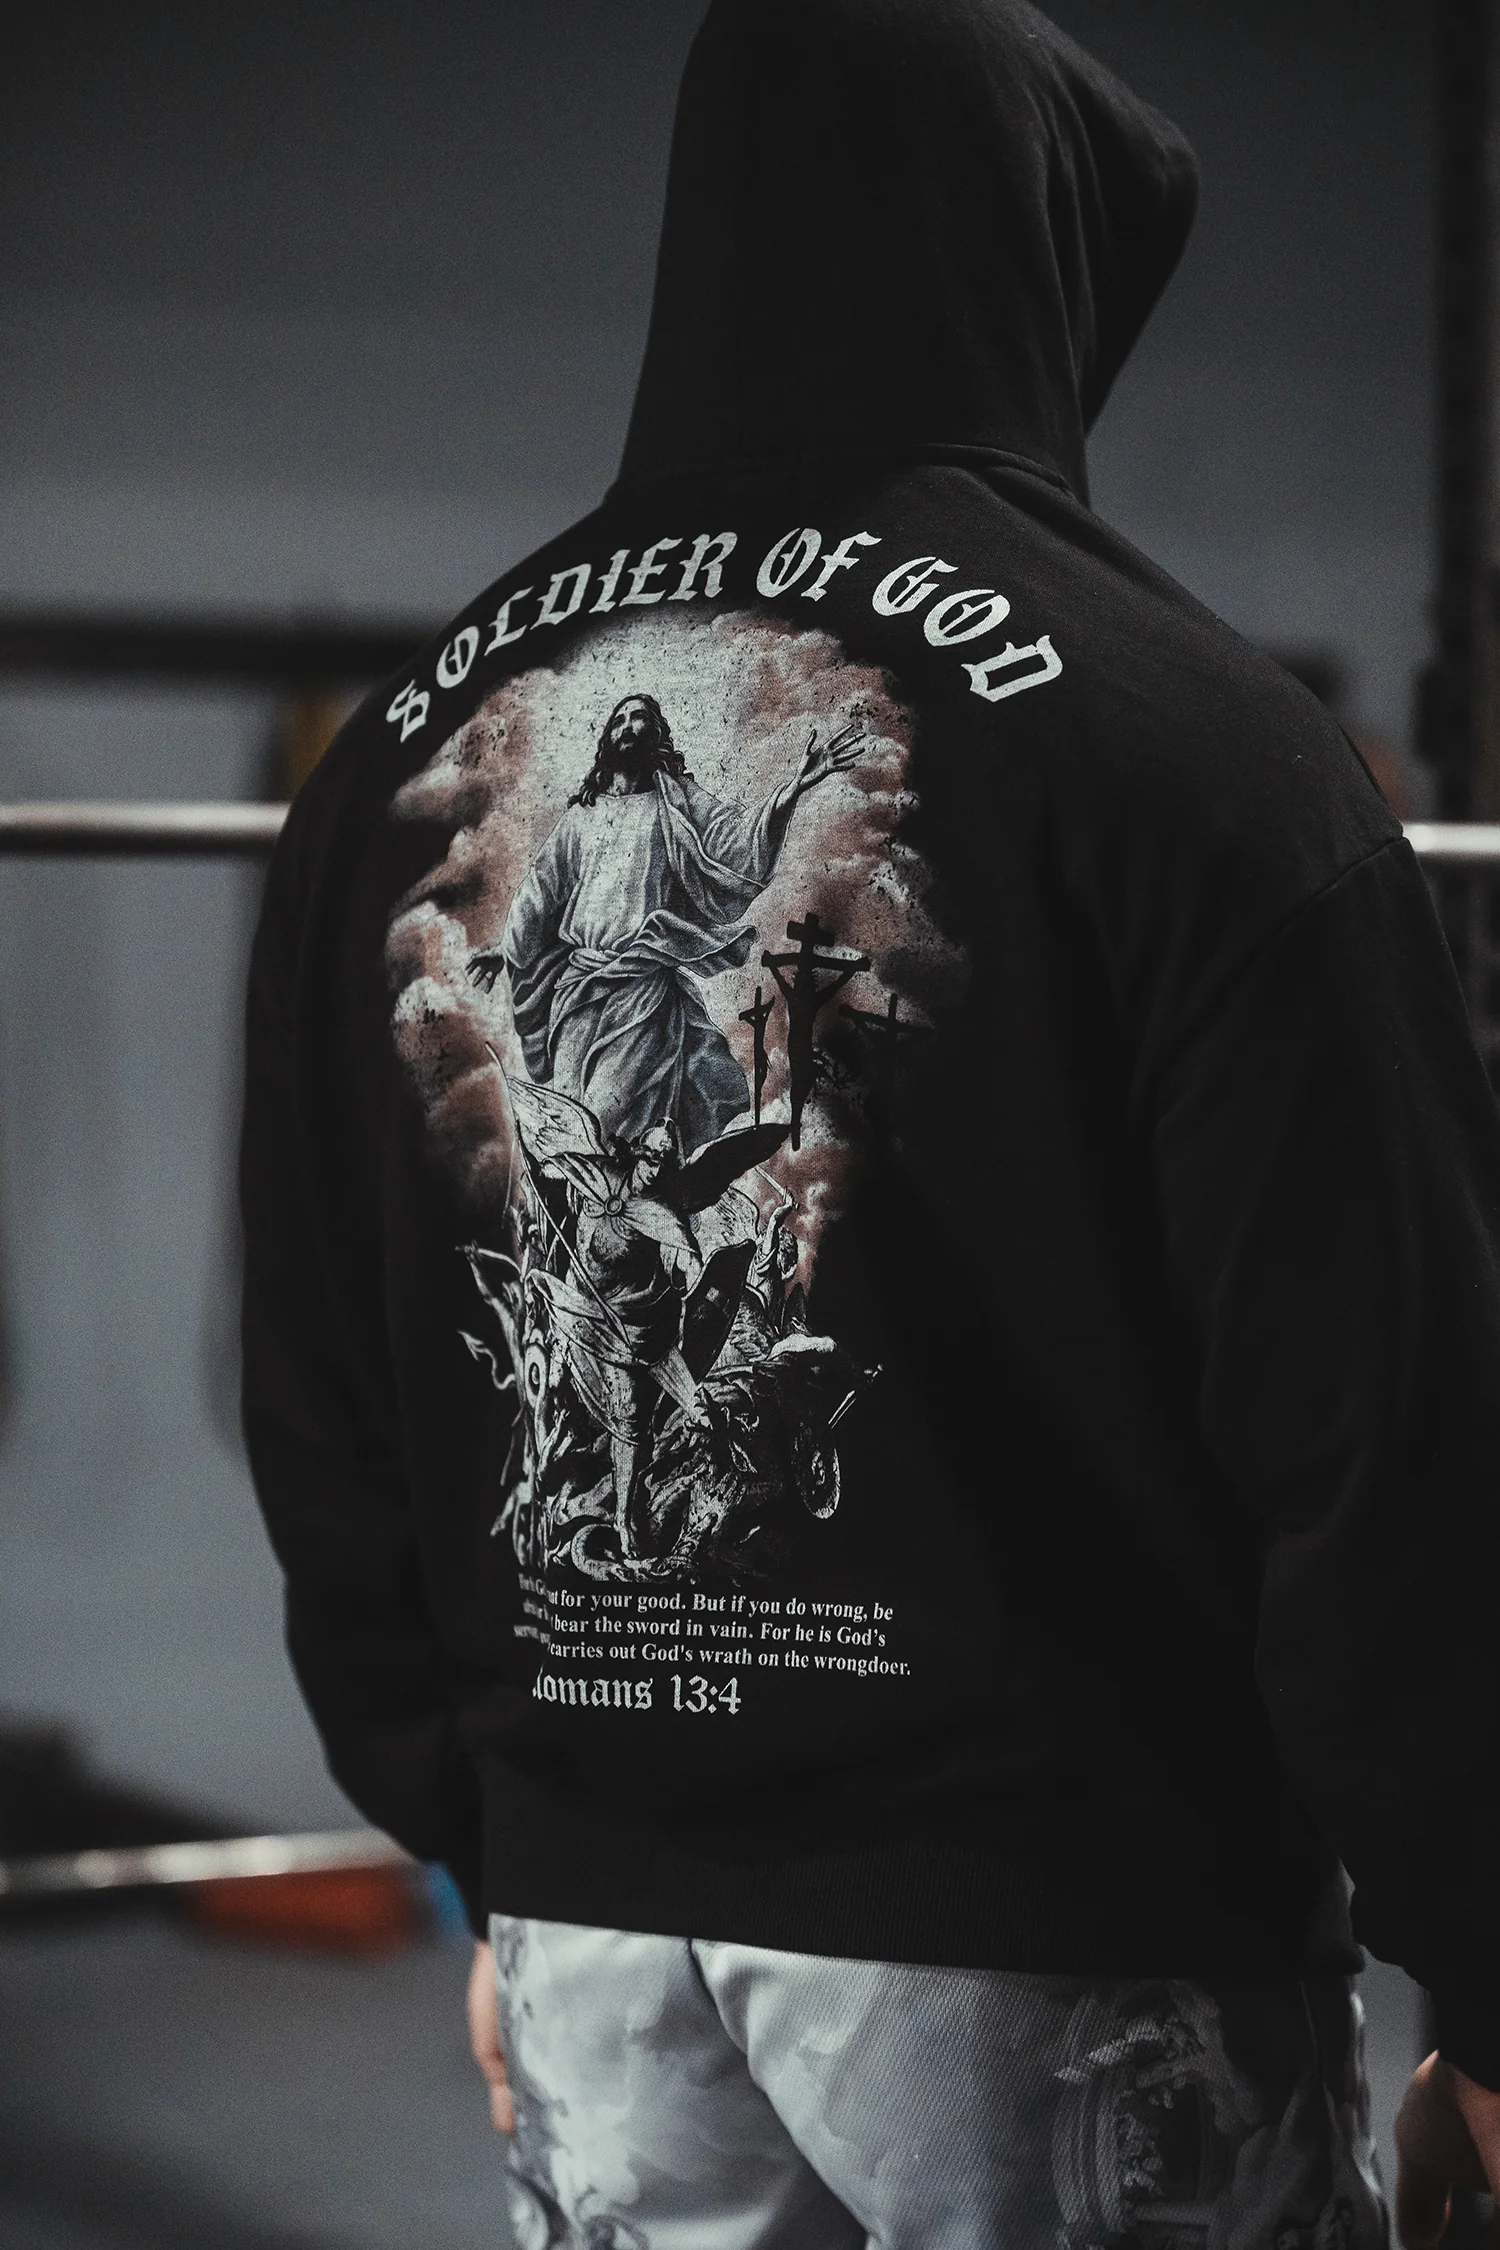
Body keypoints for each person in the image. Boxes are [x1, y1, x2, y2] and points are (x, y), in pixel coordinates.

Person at [240, 2, 1500, 2243]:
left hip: (597, 1921)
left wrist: (495, 1837)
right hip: (1063, 1932)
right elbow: (1390, 1434)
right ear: (1032, 257)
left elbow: (325, 1393)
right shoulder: (1203, 751)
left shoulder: (388, 768)